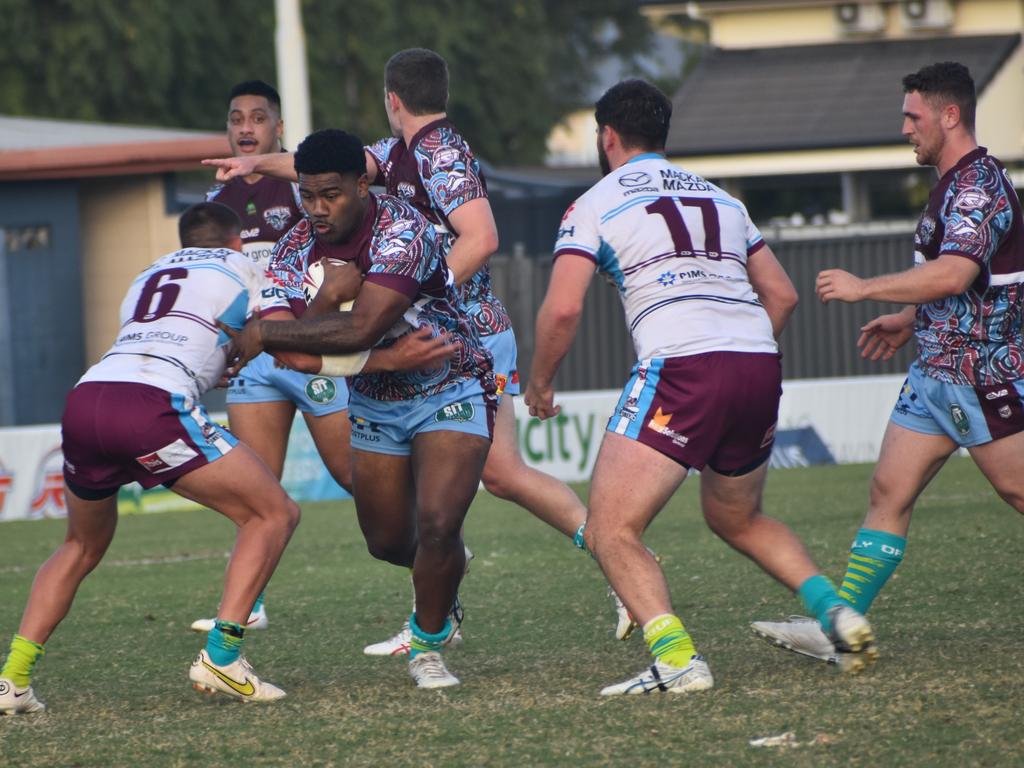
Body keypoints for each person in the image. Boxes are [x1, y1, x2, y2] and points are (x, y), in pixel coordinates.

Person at [204, 50, 640, 652]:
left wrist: (420, 297)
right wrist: (254, 162)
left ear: (392, 100)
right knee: (428, 504)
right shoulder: (397, 153)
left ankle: (620, 572)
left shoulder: (440, 153)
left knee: (501, 476)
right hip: (421, 328)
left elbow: (482, 236)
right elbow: (324, 160)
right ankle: (440, 609)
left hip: (463, 329)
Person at [523, 79, 877, 696]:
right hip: (758, 362)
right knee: (736, 517)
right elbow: (784, 295)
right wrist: (738, 356)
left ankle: (677, 660)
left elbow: (561, 311)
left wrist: (540, 383)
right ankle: (837, 614)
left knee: (610, 528)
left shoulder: (594, 203)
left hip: (683, 366)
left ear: (606, 136)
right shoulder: (723, 199)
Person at [751, 61, 1024, 664]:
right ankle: (839, 633)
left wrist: (863, 286)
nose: (904, 128)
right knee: (887, 491)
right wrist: (911, 320)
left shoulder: (978, 186)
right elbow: (963, 284)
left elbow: (956, 271)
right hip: (935, 373)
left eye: (912, 115)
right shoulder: (951, 184)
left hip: (980, 375)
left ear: (949, 115)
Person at [0, 202, 302, 714]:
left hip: (88, 398)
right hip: (151, 404)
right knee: (273, 513)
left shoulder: (147, 274)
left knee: (78, 545)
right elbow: (287, 336)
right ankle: (222, 657)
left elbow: (179, 335)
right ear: (234, 242)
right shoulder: (246, 267)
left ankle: (13, 679)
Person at [222, 129, 496, 689]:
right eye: (307, 195)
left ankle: (428, 646)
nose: (318, 209)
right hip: (374, 398)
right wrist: (311, 319)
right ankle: (440, 580)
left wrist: (267, 330)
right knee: (388, 542)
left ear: (361, 183)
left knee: (439, 524)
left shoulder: (404, 230)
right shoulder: (294, 248)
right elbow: (296, 358)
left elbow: (360, 326)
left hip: (450, 381)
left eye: (331, 194)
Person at [190, 80, 352, 635]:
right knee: (254, 487)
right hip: (255, 359)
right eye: (236, 119)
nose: (245, 128)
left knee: (356, 474)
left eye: (258, 118)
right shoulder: (217, 204)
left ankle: (435, 556)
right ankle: (248, 604)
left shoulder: (303, 185)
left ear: (277, 129)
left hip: (309, 342)